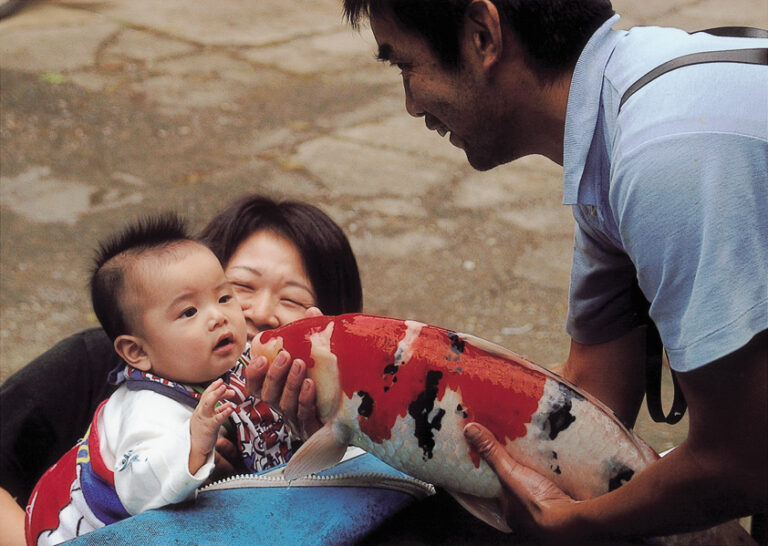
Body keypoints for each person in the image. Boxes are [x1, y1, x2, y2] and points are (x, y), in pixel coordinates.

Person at [341, 0, 766, 542]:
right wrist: (364, 408)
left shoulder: (663, 155)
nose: (411, 103)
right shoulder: (619, 117)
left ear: (482, 36)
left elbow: (744, 458)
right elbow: (585, 402)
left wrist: (571, 525)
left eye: (405, 66)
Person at [0, 194, 363, 546]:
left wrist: (324, 429)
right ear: (136, 346)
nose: (258, 312)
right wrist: (193, 444)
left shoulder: (329, 408)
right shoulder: (126, 383)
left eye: (292, 300)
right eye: (241, 287)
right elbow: (139, 476)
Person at [26, 213, 262, 543]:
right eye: (189, 312)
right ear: (137, 352)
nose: (219, 317)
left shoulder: (214, 365)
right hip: (91, 531)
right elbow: (137, 486)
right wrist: (193, 439)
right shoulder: (148, 408)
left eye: (224, 297)